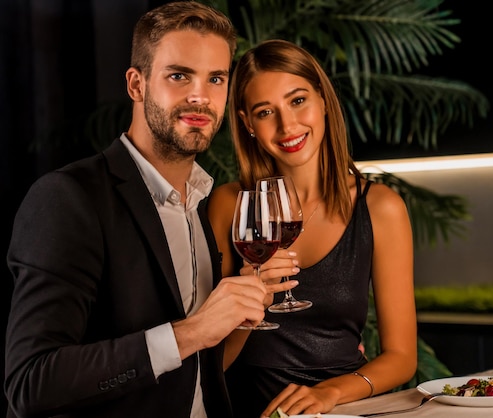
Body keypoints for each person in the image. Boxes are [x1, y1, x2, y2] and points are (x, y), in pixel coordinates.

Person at [4, 3, 296, 418]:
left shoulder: (203, 201)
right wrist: (192, 331)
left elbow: (199, 372)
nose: (200, 96)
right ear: (136, 84)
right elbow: (31, 383)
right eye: (179, 76)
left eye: (215, 78)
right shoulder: (68, 198)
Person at [207, 39, 417, 417]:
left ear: (322, 99)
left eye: (298, 100)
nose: (287, 125)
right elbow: (209, 364)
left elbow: (402, 358)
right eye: (265, 111)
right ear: (247, 123)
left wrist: (329, 393)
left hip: (339, 410)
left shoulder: (381, 208)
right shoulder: (229, 205)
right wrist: (247, 306)